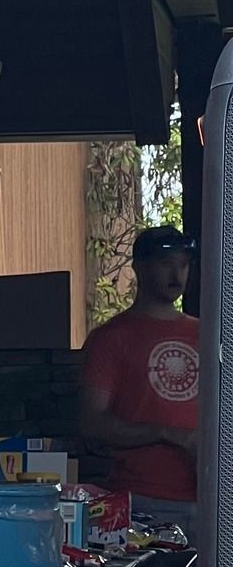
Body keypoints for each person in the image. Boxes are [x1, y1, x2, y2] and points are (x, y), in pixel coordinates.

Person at [79, 225, 199, 539]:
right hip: (143, 500)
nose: (177, 274)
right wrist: (166, 433)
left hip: (212, 498)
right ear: (140, 267)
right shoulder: (111, 339)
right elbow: (92, 423)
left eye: (183, 264)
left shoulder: (207, 335)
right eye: (166, 263)